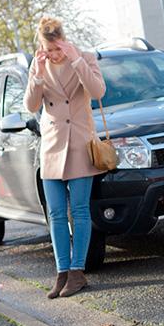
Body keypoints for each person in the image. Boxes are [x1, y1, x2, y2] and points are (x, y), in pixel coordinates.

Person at [24, 17, 106, 298]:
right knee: (56, 212)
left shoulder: (83, 58)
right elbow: (31, 105)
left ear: (64, 41)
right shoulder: (39, 64)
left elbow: (98, 92)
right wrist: (37, 76)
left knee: (80, 211)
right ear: (42, 46)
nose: (54, 55)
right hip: (51, 147)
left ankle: (77, 272)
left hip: (80, 144)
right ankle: (61, 273)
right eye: (50, 50)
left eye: (58, 49)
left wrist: (76, 61)